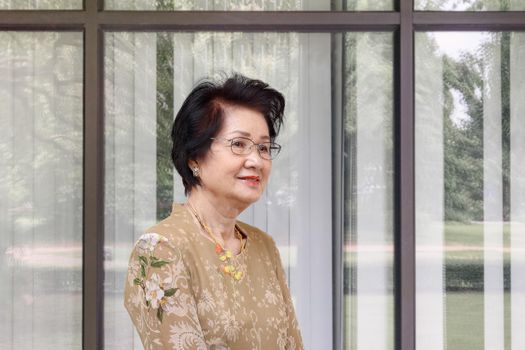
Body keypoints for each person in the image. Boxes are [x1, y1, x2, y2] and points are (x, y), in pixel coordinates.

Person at [124, 74, 304, 350]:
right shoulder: (161, 248)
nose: (256, 160)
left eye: (264, 148)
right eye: (239, 144)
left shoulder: (264, 247)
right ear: (194, 157)